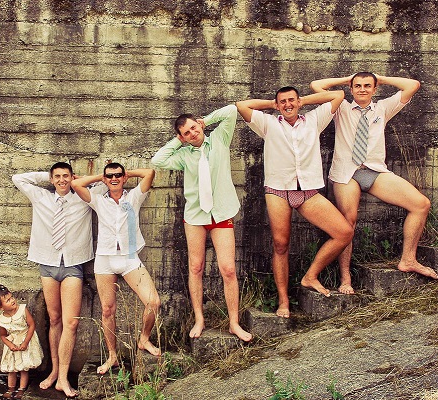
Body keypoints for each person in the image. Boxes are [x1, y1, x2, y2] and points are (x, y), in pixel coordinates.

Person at [310, 72, 438, 295]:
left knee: (421, 204)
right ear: (351, 89)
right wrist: (347, 79)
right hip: (346, 173)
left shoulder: (383, 108)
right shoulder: (341, 107)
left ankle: (408, 259)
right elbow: (316, 85)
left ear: (374, 89)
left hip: (375, 171)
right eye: (358, 86)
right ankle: (345, 277)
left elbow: (413, 85)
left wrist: (380, 77)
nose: (362, 89)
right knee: (348, 222)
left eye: (367, 85)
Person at [236, 88, 354, 316]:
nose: (287, 104)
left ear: (298, 102)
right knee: (280, 245)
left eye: (291, 100)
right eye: (283, 102)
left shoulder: (314, 120)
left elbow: (338, 95)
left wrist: (302, 101)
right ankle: (283, 301)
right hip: (278, 190)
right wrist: (273, 104)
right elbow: (242, 106)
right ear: (277, 105)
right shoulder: (268, 124)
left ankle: (310, 276)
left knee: (344, 233)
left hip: (307, 190)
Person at [151, 104, 252, 342]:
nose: (192, 134)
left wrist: (206, 120)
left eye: (194, 128)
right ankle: (199, 319)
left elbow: (231, 111)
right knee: (195, 268)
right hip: (196, 217)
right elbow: (158, 160)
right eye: (186, 133)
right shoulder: (184, 155)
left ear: (199, 124)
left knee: (228, 269)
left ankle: (234, 323)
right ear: (183, 137)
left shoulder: (219, 139)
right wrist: (178, 141)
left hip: (221, 213)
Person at [12, 162, 104, 397]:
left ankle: (63, 377)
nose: (62, 180)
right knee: (54, 320)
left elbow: (105, 183)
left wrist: (78, 180)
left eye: (66, 176)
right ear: (52, 179)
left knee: (71, 323)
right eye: (58, 177)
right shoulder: (41, 196)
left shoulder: (83, 197)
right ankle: (54, 371)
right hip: (47, 264)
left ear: (72, 177)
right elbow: (18, 178)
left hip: (73, 265)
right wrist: (49, 176)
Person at [71, 163, 161, 374]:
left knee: (153, 302)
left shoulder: (134, 197)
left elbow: (149, 173)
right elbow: (76, 184)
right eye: (110, 176)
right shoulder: (99, 201)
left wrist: (128, 173)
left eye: (118, 175)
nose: (114, 179)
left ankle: (144, 339)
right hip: (105, 259)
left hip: (129, 258)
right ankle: (112, 356)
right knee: (107, 310)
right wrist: (100, 177)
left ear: (124, 178)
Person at [0, 284, 43, 400]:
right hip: (13, 344)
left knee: (23, 368)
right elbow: (3, 335)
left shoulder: (22, 310)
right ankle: (10, 388)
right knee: (11, 369)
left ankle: (21, 389)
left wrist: (25, 342)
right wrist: (10, 345)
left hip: (25, 340)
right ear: (1, 307)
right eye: (8, 300)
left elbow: (31, 325)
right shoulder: (1, 319)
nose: (12, 300)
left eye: (11, 297)